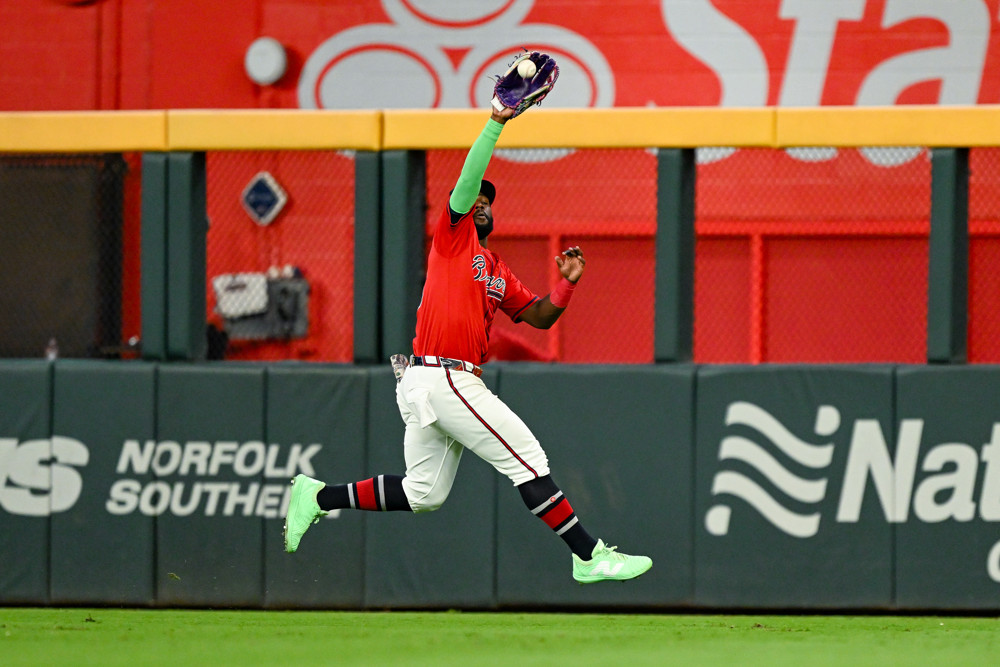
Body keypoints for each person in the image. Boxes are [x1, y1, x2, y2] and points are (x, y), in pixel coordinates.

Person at [284, 103, 652, 584]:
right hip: (444, 376)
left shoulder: (496, 269)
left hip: (431, 380)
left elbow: (537, 316)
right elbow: (467, 179)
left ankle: (317, 496)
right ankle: (589, 556)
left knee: (424, 493)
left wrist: (566, 286)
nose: (481, 200)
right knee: (527, 457)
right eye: (475, 194)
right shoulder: (452, 239)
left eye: (488, 198)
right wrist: (496, 121)